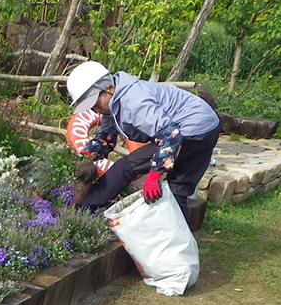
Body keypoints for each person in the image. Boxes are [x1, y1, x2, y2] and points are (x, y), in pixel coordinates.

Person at [65, 60, 220, 219]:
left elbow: (170, 135)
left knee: (125, 168)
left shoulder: (134, 102)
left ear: (109, 89)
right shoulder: (111, 106)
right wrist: (86, 155)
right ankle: (179, 235)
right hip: (209, 125)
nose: (95, 110)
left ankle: (81, 210)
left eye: (95, 103)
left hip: (193, 128)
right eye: (91, 107)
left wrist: (154, 175)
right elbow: (107, 137)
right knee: (177, 191)